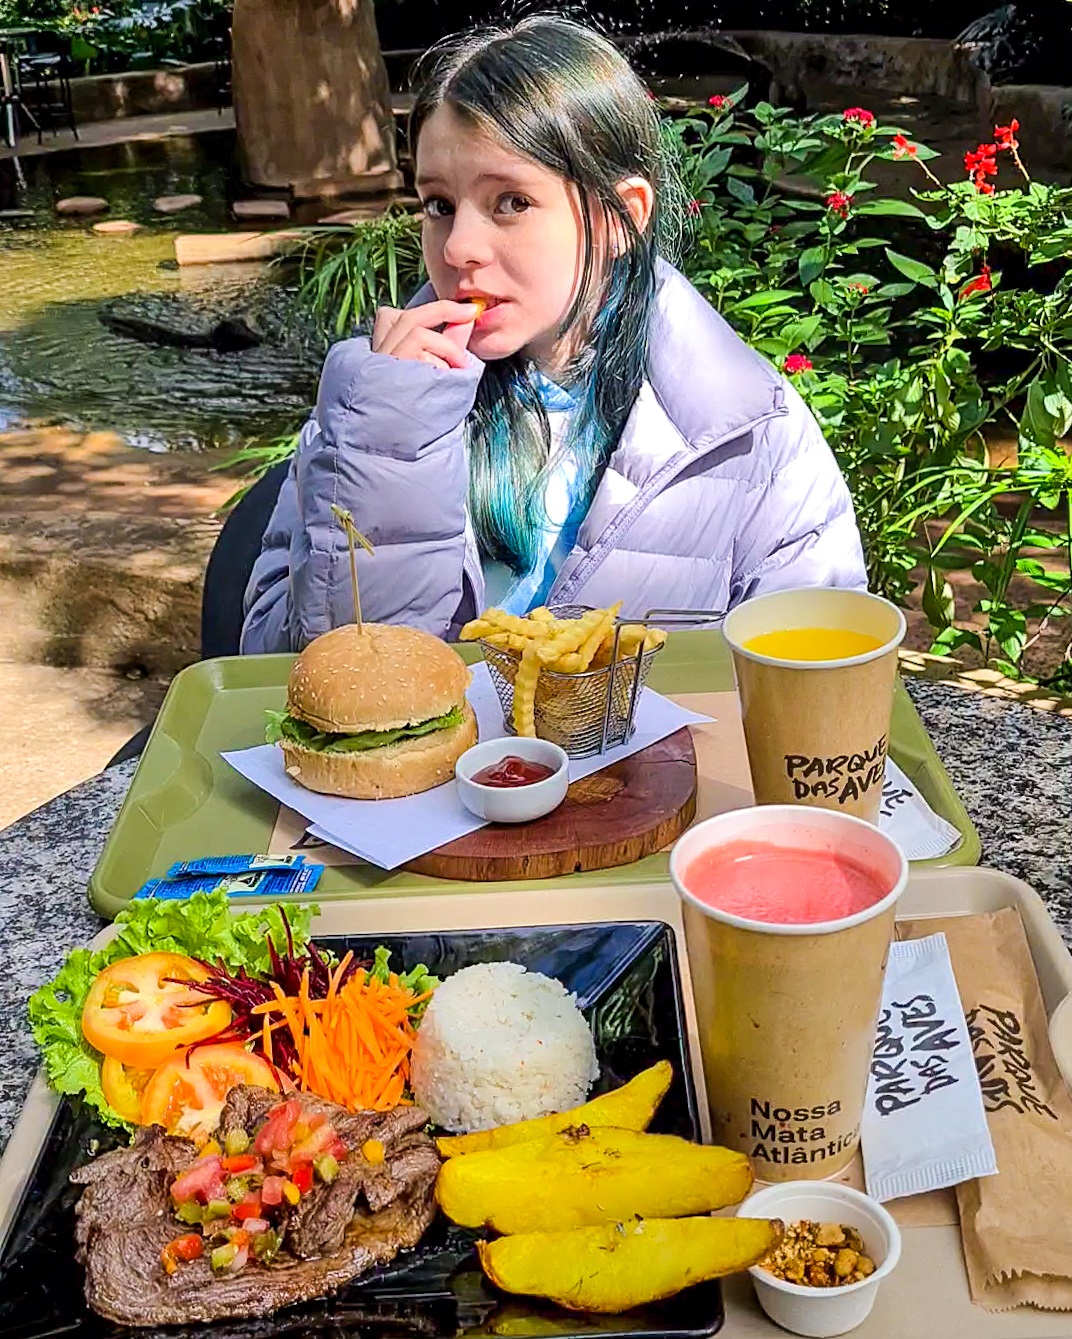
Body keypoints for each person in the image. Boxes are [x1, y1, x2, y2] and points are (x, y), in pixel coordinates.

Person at [241, 15, 866, 655]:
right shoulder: (374, 404)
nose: (458, 249)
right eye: (439, 204)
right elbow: (281, 668)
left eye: (511, 201)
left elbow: (816, 675)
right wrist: (387, 449)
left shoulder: (750, 431)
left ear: (622, 217)